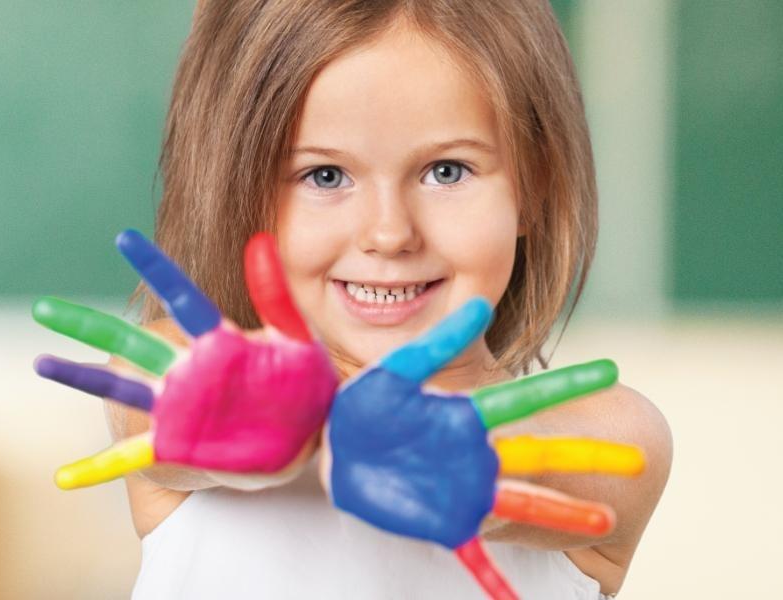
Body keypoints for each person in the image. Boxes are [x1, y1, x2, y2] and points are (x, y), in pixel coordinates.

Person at [111, 1, 672, 597]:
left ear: (535, 188)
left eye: (447, 171)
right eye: (325, 176)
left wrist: (471, 455)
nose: (389, 233)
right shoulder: (201, 374)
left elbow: (564, 458)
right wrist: (258, 413)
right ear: (239, 192)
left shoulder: (606, 432)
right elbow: (154, 390)